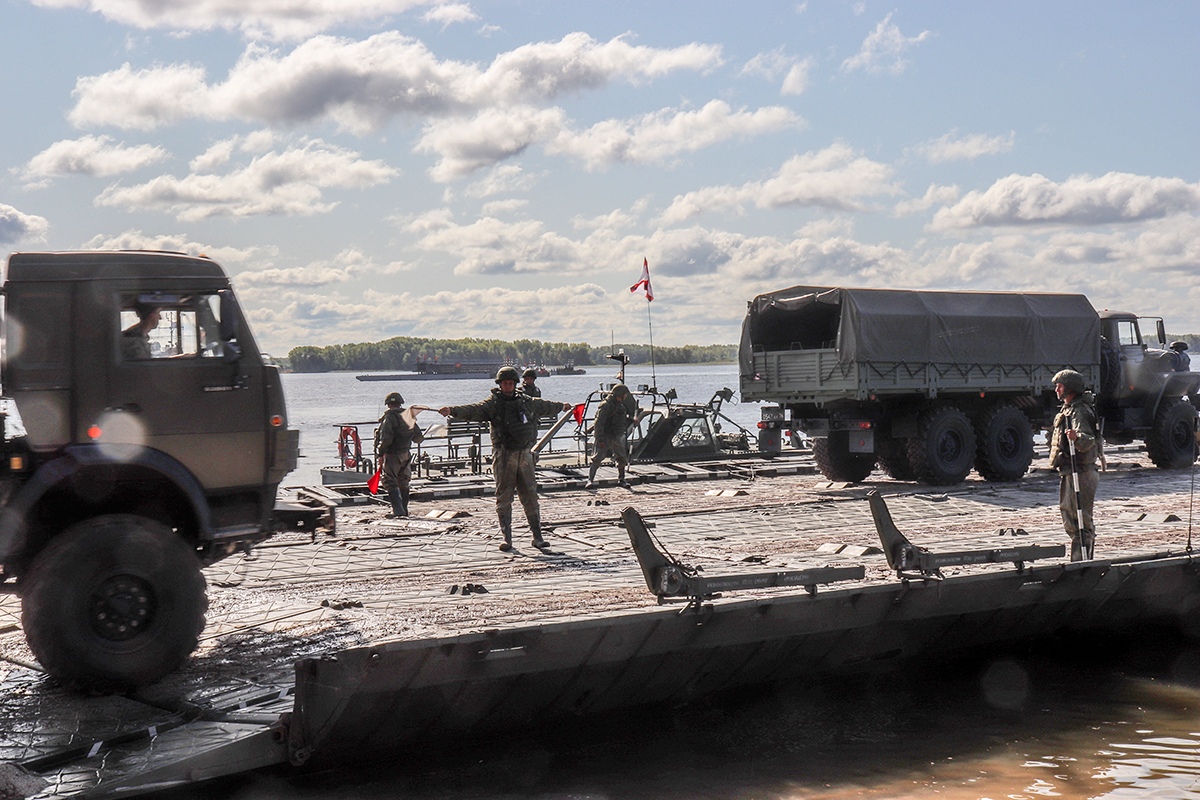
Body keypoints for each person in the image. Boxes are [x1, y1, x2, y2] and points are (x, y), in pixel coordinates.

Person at [439, 366, 572, 551]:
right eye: (505, 383)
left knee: (530, 497)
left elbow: (545, 406)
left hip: (525, 454)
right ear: (500, 384)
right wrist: (452, 410)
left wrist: (562, 406)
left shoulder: (526, 402)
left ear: (515, 384)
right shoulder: (493, 404)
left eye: (511, 383)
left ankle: (537, 537)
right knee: (504, 497)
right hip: (504, 455)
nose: (508, 386)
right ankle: (507, 539)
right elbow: (473, 410)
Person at [1048, 369, 1099, 561]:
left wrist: (1076, 437)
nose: (1056, 389)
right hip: (1070, 470)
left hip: (1081, 473)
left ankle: (1083, 561)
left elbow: (1088, 440)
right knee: (1070, 517)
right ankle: (1079, 560)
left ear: (1070, 389)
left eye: (1059, 386)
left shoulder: (1079, 411)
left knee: (1081, 520)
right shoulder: (1068, 409)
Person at [377, 391, 424, 518]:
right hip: (406, 454)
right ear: (400, 403)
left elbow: (386, 439)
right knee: (403, 482)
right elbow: (419, 438)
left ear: (388, 405)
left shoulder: (390, 418)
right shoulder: (408, 417)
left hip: (393, 455)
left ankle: (398, 512)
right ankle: (404, 510)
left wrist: (380, 453)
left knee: (390, 482)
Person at [586, 384, 633, 489]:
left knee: (621, 457)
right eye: (624, 395)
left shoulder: (619, 405)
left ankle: (621, 479)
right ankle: (590, 480)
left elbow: (621, 418)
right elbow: (599, 423)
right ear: (619, 394)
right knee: (597, 457)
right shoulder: (606, 405)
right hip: (605, 435)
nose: (625, 397)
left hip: (615, 436)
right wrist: (600, 438)